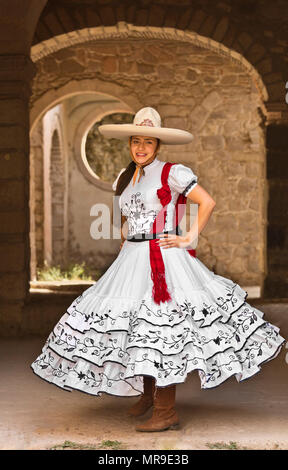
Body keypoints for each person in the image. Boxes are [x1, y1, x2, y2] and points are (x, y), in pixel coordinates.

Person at [30, 107, 286, 433]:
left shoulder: (172, 172)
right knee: (138, 324)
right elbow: (127, 220)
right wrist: (127, 239)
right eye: (135, 141)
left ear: (157, 145)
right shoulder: (128, 177)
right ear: (130, 144)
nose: (140, 148)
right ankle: (149, 395)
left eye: (147, 142)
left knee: (162, 327)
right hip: (133, 256)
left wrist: (189, 236)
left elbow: (206, 202)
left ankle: (166, 410)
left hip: (162, 257)